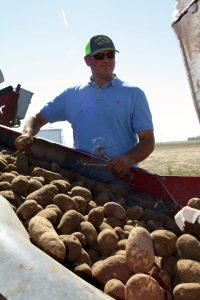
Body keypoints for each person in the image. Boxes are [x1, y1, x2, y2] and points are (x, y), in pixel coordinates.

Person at [15, 34, 155, 182]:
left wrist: (128, 158)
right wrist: (27, 133)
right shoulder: (72, 95)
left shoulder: (134, 94)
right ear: (87, 60)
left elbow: (148, 141)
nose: (106, 60)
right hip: (83, 180)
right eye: (99, 56)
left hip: (123, 182)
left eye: (110, 54)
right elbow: (37, 118)